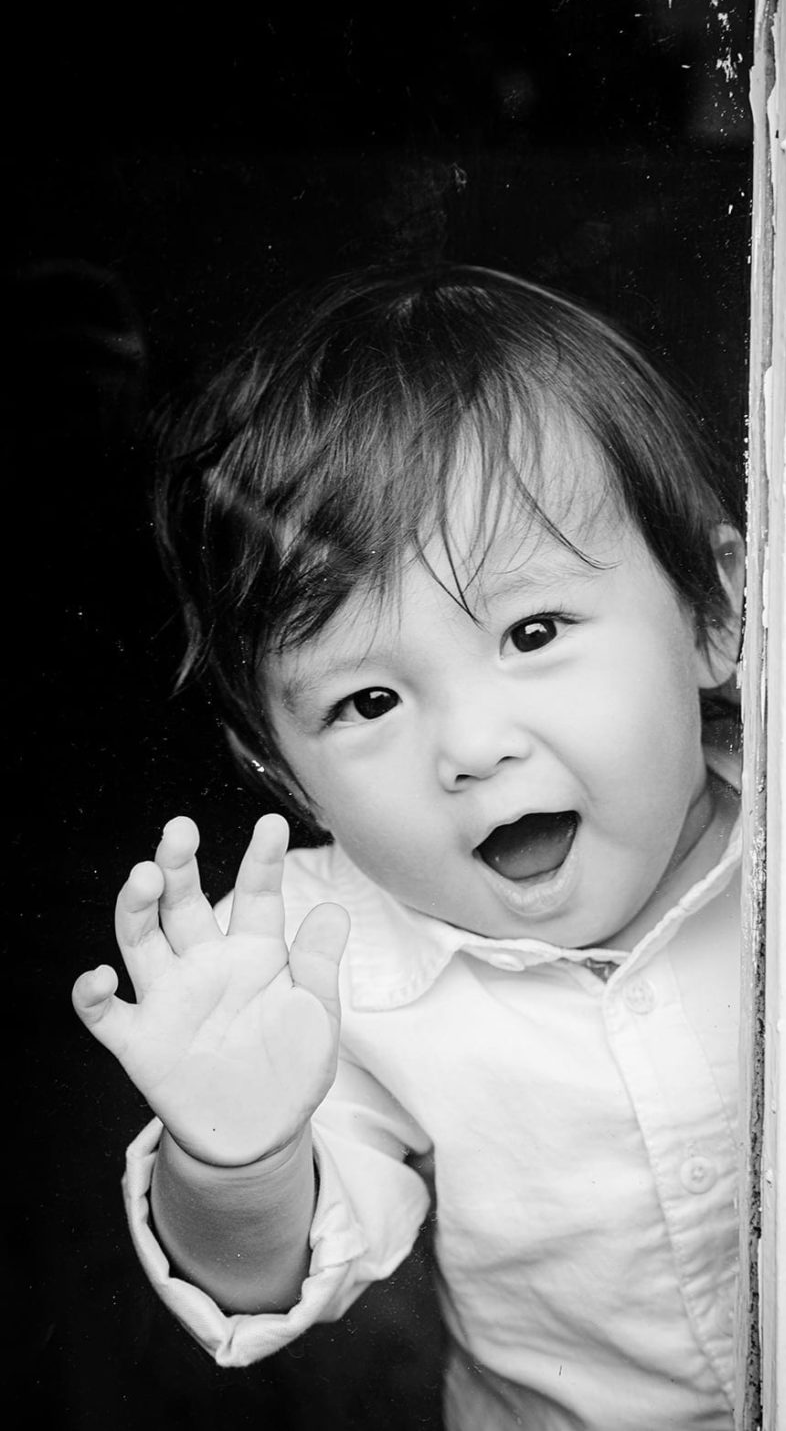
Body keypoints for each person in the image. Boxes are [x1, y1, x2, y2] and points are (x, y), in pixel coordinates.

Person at [72, 264, 745, 1430]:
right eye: (369, 702)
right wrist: (235, 1160)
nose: (472, 746)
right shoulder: (319, 965)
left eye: (533, 631)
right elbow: (262, 1280)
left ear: (713, 616)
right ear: (283, 772)